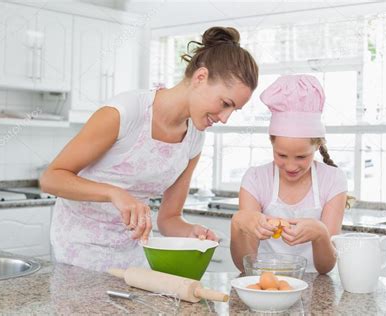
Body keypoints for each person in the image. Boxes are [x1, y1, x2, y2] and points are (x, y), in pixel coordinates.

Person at [40, 26, 258, 272]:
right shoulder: (125, 113)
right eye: (225, 104)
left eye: (233, 110)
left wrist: (191, 232)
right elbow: (51, 178)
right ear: (200, 78)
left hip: (133, 255)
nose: (225, 117)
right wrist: (115, 193)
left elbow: (168, 219)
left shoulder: (194, 138)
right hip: (78, 252)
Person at [230, 74, 348, 274]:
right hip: (266, 282)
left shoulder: (333, 180)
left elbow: (325, 267)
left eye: (301, 157)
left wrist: (320, 233)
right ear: (272, 144)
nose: (291, 166)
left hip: (315, 289)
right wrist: (239, 223)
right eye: (281, 155)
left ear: (317, 145)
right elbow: (244, 265)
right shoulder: (256, 179)